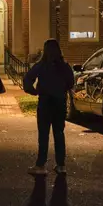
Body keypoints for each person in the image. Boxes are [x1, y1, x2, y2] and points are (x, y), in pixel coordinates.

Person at [23, 39, 74, 176]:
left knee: (43, 134)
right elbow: (71, 82)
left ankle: (41, 164)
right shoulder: (64, 66)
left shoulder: (41, 65)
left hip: (45, 102)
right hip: (59, 102)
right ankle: (61, 164)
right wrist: (62, 88)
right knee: (59, 133)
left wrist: (33, 91)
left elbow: (28, 79)